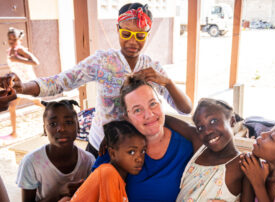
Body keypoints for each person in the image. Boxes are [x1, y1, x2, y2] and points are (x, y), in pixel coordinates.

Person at [0, 3, 192, 157]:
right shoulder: (102, 61)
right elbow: (60, 82)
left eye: (140, 36)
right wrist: (22, 87)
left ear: (147, 35)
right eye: (126, 34)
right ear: (117, 29)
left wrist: (167, 82)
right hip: (101, 146)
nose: (133, 42)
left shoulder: (152, 68)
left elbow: (186, 109)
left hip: (136, 151)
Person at [93, 75, 193, 202]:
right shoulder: (118, 144)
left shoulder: (185, 148)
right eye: (138, 110)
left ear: (161, 104)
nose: (149, 114)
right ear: (127, 117)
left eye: (153, 104)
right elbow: (93, 186)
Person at [165, 98, 253, 202]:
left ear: (232, 121)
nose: (207, 131)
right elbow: (165, 119)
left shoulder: (243, 163)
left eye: (213, 121)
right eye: (200, 127)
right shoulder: (200, 147)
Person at [16, 100, 95, 202]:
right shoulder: (31, 163)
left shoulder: (88, 161)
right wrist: (59, 194)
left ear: (78, 126)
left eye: (68, 122)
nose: (61, 128)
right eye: (53, 124)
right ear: (45, 130)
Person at [69, 121, 147, 202]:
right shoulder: (109, 173)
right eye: (131, 152)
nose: (140, 159)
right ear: (112, 153)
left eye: (143, 151)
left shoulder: (119, 178)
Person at [6, 27, 42, 138]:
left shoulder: (20, 50)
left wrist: (17, 59)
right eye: (10, 39)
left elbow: (36, 62)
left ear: (19, 40)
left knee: (39, 103)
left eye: (14, 39)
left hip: (27, 83)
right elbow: (14, 67)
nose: (12, 42)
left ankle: (56, 110)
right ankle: (14, 132)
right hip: (18, 84)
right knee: (11, 106)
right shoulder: (9, 51)